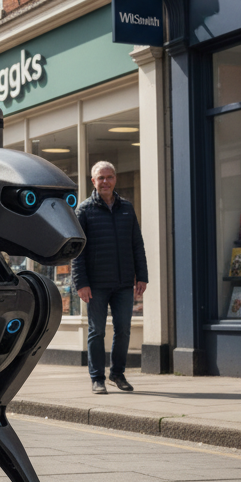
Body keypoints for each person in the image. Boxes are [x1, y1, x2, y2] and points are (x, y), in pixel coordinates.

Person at [71, 161, 148, 394]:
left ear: (115, 179)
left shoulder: (127, 208)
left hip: (124, 282)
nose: (105, 181)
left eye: (109, 177)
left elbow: (137, 244)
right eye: (100, 178)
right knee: (97, 331)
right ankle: (97, 378)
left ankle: (117, 373)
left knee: (124, 329)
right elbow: (77, 250)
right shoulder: (84, 210)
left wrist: (141, 276)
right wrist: (81, 283)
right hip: (95, 285)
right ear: (93, 181)